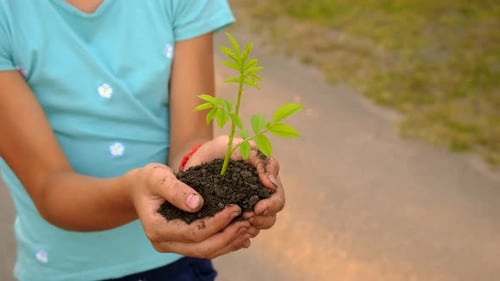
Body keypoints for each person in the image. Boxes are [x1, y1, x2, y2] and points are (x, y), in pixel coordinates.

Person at [0, 0, 285, 280]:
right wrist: (134, 192)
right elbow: (50, 188)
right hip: (65, 269)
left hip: (178, 260)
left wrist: (196, 163)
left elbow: (190, 140)